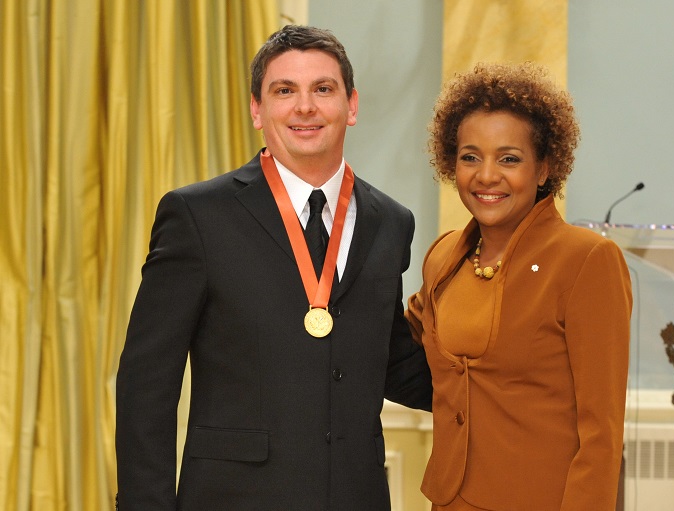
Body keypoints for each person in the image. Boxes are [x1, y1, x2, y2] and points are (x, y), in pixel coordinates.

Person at [115, 25, 432, 510]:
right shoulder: (197, 217)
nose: (304, 107)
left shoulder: (391, 222)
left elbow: (387, 359)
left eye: (322, 89)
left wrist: (508, 381)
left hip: (357, 497)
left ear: (351, 105)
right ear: (257, 110)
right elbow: (147, 385)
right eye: (285, 91)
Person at [405, 62, 632, 510]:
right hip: (450, 500)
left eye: (509, 158)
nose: (487, 175)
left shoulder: (586, 260)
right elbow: (401, 339)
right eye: (470, 157)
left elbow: (601, 434)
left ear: (545, 167)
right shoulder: (444, 257)